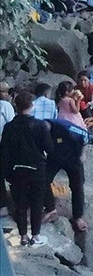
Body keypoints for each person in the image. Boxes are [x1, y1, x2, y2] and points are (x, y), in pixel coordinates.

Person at [0, 92, 53, 247]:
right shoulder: (40, 125)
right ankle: (35, 236)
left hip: (16, 169)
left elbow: (5, 152)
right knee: (37, 203)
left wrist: (6, 172)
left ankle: (23, 236)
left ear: (16, 106)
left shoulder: (9, 127)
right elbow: (49, 148)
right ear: (32, 106)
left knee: (20, 204)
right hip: (37, 169)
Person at [44, 118, 89, 232]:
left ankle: (78, 216)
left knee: (77, 186)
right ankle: (51, 209)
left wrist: (82, 154)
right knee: (43, 180)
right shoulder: (39, 129)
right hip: (54, 157)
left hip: (72, 156)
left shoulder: (63, 126)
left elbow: (84, 134)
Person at [0, 82, 15, 214]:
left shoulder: (5, 105)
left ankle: (4, 205)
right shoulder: (5, 105)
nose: (6, 94)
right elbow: (12, 124)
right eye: (4, 91)